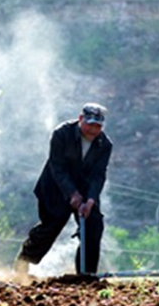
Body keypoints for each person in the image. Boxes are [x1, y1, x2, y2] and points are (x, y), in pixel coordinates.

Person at [14, 102, 113, 278]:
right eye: (90, 124)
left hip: (85, 189)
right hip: (55, 187)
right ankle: (23, 263)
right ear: (80, 119)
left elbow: (99, 175)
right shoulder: (62, 134)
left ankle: (86, 274)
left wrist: (90, 200)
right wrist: (71, 194)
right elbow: (57, 167)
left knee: (94, 224)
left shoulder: (104, 144)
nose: (93, 130)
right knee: (54, 222)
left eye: (97, 126)